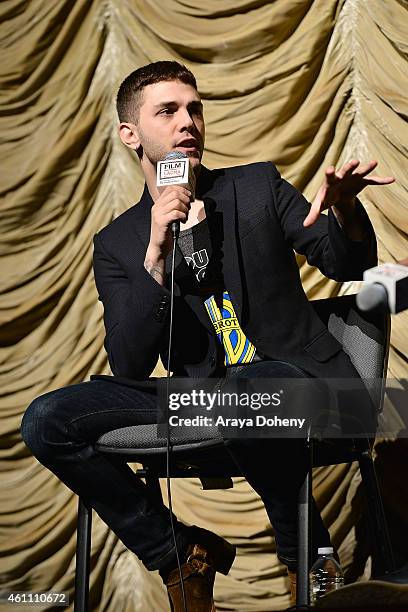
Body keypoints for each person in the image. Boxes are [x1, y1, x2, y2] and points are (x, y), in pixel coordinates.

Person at [21, 61, 395, 611]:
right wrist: (154, 255)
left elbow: (347, 263)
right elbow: (127, 361)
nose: (187, 121)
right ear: (131, 134)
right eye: (167, 111)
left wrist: (344, 210)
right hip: (199, 399)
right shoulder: (118, 242)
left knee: (256, 387)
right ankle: (176, 551)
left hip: (291, 381)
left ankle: (308, 559)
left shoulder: (256, 186)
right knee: (47, 420)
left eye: (194, 108)